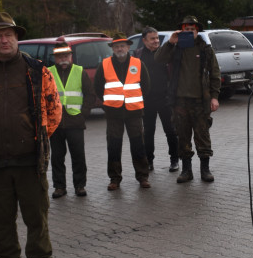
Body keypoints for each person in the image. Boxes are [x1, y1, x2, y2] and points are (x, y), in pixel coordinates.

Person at [0, 12, 61, 258]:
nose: (4, 39)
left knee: (36, 221)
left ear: (17, 37)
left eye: (9, 34)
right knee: (1, 224)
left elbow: (54, 112)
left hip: (30, 163)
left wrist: (38, 139)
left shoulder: (36, 70)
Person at [155, 16, 220, 183]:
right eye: (186, 30)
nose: (189, 32)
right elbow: (158, 59)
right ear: (181, 31)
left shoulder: (205, 49)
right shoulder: (175, 48)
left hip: (200, 101)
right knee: (182, 136)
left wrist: (214, 97)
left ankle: (205, 170)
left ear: (197, 31)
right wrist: (170, 42)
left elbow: (215, 74)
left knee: (202, 136)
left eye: (192, 30)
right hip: (180, 102)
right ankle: (186, 170)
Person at [94, 33, 151, 190]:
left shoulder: (138, 63)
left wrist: (136, 99)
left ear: (128, 47)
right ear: (112, 48)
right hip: (113, 113)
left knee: (138, 145)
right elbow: (98, 87)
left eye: (122, 46)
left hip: (134, 112)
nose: (120, 48)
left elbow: (146, 86)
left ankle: (143, 177)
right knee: (113, 146)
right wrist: (107, 103)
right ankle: (114, 179)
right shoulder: (104, 64)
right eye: (116, 46)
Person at [48, 42, 96, 198]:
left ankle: (80, 185)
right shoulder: (48, 73)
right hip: (55, 123)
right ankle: (59, 187)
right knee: (57, 158)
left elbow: (90, 95)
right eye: (59, 56)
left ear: (71, 57)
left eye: (65, 56)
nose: (63, 59)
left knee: (78, 156)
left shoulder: (79, 71)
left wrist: (84, 114)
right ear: (55, 58)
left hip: (75, 121)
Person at [134, 27, 179, 173]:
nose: (156, 41)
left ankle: (174, 160)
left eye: (157, 38)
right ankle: (149, 161)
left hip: (165, 98)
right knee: (148, 132)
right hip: (147, 100)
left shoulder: (165, 53)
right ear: (144, 40)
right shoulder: (138, 55)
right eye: (152, 38)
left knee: (171, 131)